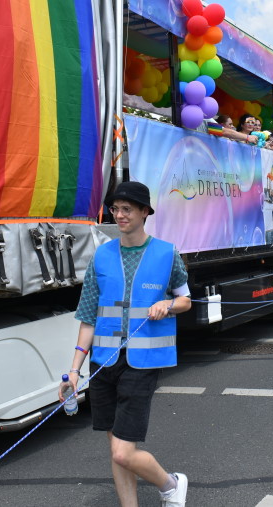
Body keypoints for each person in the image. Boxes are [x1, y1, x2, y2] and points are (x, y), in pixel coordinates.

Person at [64, 181, 191, 507]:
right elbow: (88, 316)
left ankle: (170, 484)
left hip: (143, 362)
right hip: (103, 362)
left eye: (127, 209)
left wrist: (169, 305)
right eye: (115, 209)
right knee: (116, 450)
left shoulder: (167, 253)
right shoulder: (101, 255)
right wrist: (75, 370)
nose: (118, 215)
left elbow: (186, 300)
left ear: (145, 212)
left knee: (122, 452)